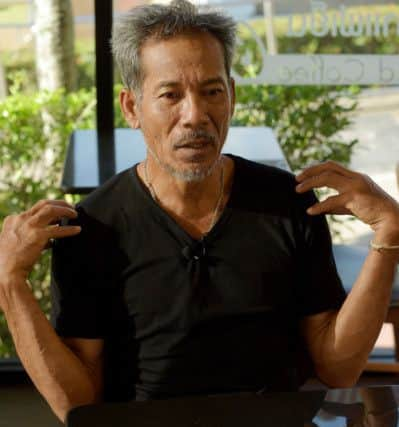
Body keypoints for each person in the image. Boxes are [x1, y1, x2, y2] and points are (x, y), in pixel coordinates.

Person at [1, 0, 399, 422]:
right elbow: (77, 403)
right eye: (170, 95)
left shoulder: (288, 203)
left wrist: (389, 235)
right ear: (132, 108)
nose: (195, 116)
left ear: (231, 95)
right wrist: (10, 284)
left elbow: (338, 368)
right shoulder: (94, 229)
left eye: (212, 92)